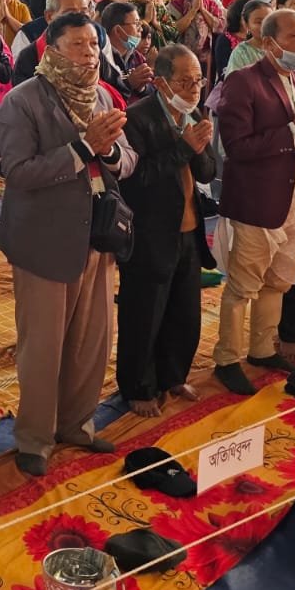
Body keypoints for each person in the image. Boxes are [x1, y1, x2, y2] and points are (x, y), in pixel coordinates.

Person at [0, 12, 132, 476]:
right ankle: (34, 437)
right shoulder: (24, 101)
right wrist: (82, 148)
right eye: (78, 45)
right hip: (44, 239)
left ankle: (76, 423)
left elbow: (128, 158)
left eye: (94, 45)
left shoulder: (101, 96)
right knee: (44, 346)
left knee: (91, 341)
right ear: (51, 50)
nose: (90, 53)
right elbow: (16, 171)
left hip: (96, 234)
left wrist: (111, 150)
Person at [213, 9, 295, 395]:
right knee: (243, 285)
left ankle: (262, 348)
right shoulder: (244, 83)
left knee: (278, 280)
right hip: (260, 198)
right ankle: (227, 357)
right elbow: (237, 147)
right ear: (268, 43)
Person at [117, 45, 214, 416]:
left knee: (184, 311)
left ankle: (173, 375)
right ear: (159, 82)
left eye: (198, 81)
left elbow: (206, 173)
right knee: (144, 313)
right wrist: (182, 148)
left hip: (188, 230)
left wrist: (197, 145)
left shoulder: (192, 114)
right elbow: (135, 179)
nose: (193, 89)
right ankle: (138, 387)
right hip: (151, 232)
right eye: (185, 82)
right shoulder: (137, 118)